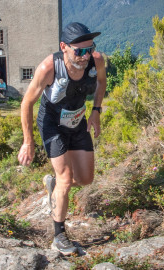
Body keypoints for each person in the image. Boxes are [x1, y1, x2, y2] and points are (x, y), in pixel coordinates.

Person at [17, 22, 106, 255]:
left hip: (77, 123)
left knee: (85, 179)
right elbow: (26, 103)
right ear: (64, 47)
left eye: (90, 49)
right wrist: (28, 141)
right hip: (52, 125)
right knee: (66, 178)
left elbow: (102, 82)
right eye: (79, 51)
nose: (85, 56)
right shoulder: (49, 67)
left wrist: (96, 111)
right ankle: (59, 236)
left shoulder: (96, 61)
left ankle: (54, 187)